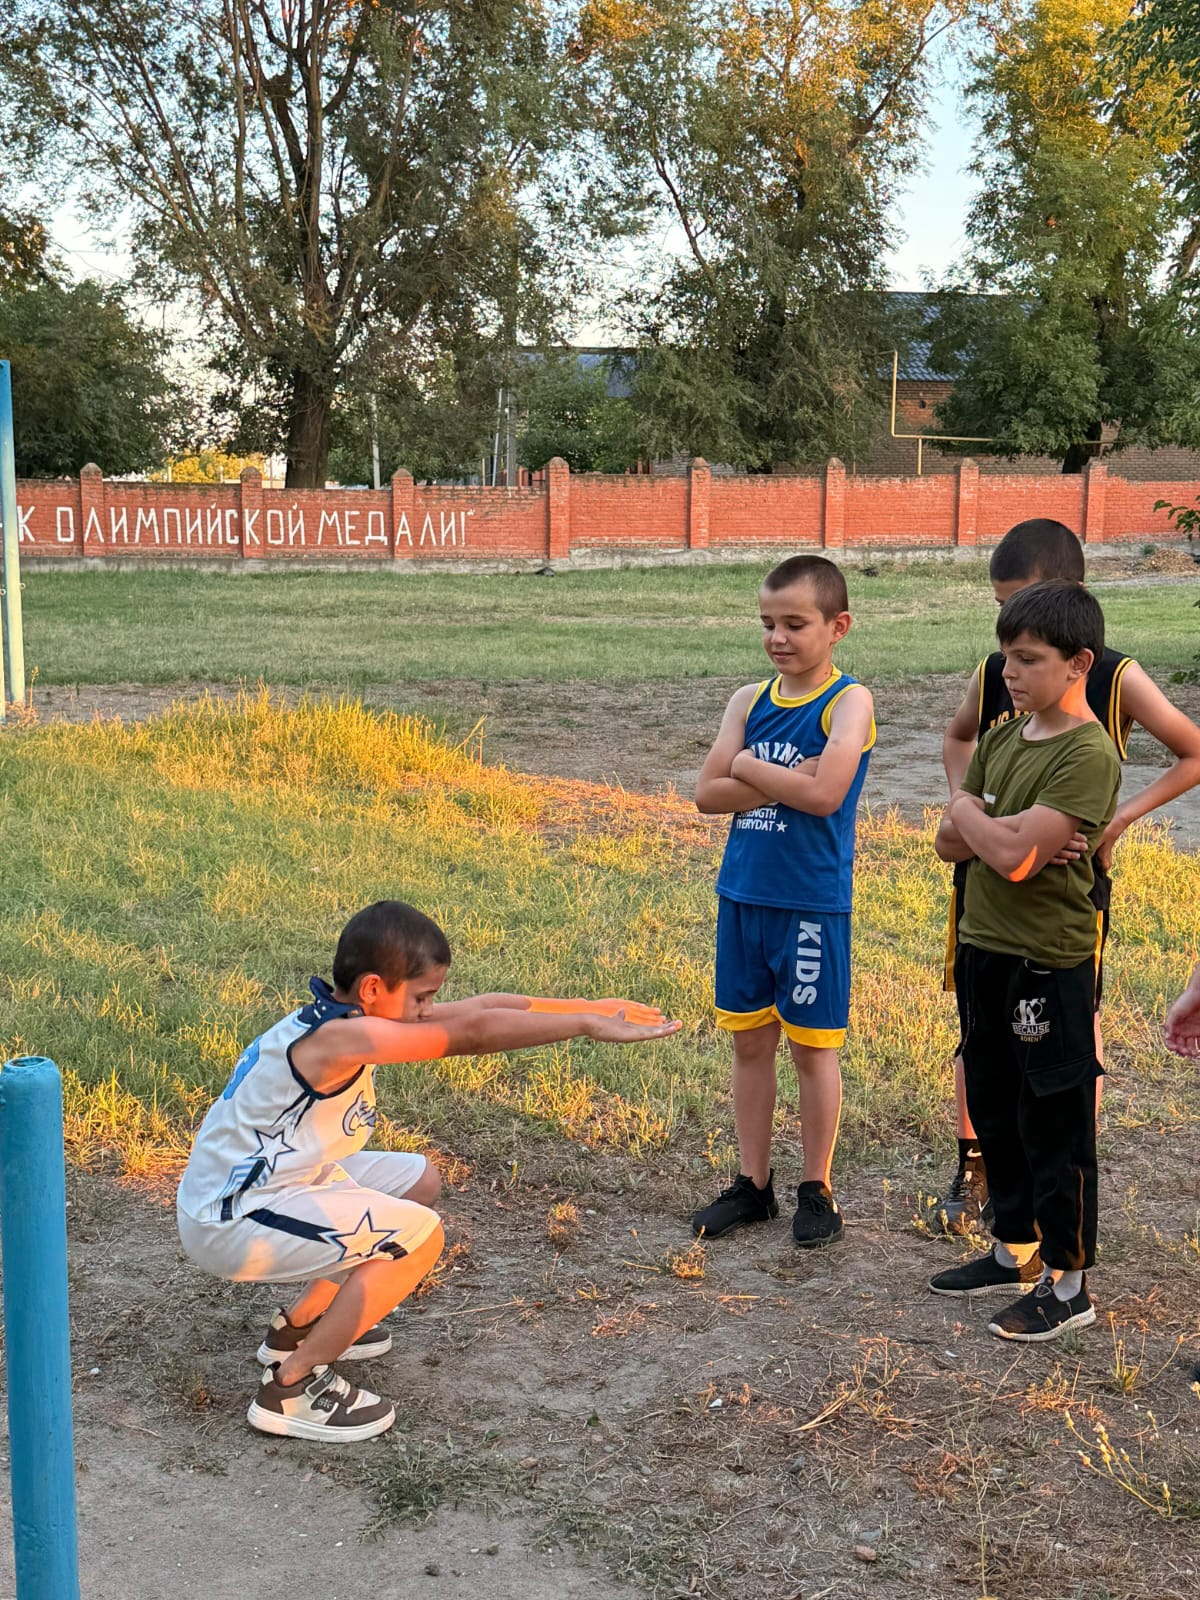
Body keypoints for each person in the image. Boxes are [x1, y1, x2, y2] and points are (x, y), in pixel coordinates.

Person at [176, 900, 680, 1442]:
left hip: (273, 1183)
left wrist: (589, 1005)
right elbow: (473, 1033)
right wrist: (584, 1025)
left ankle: (297, 1329)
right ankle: (292, 1386)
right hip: (230, 1219)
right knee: (418, 1240)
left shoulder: (342, 1018)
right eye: (421, 997)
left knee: (419, 1181)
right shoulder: (342, 1039)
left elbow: (483, 1007)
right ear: (373, 988)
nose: (428, 1010)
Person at [935, 520, 1200, 1229]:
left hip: (1060, 888)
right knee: (980, 1027)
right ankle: (977, 1163)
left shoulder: (1115, 676)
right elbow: (957, 740)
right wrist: (970, 806)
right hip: (987, 878)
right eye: (1001, 610)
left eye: (1021, 604)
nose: (1009, 629)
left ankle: (1066, 1158)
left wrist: (1118, 820)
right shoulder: (1000, 672)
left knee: (1069, 1027)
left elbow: (1192, 752)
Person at [930, 580, 1121, 1340]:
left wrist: (977, 818)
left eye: (1028, 658)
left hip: (1048, 960)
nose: (1008, 672)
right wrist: (990, 824)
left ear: (1079, 663)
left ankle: (1069, 1285)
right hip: (984, 948)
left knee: (1053, 1122)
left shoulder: (1088, 754)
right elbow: (951, 844)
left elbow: (1008, 859)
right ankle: (1013, 1248)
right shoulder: (1004, 738)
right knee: (995, 1107)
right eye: (1005, 656)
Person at [690, 554, 875, 1246]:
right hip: (743, 896)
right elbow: (707, 795)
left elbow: (825, 795)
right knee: (749, 1043)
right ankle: (753, 1184)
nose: (778, 637)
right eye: (768, 623)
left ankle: (816, 1188)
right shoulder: (748, 700)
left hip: (810, 905)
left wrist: (746, 766)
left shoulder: (848, 702)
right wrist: (770, 774)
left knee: (811, 1049)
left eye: (795, 624)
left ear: (837, 626)